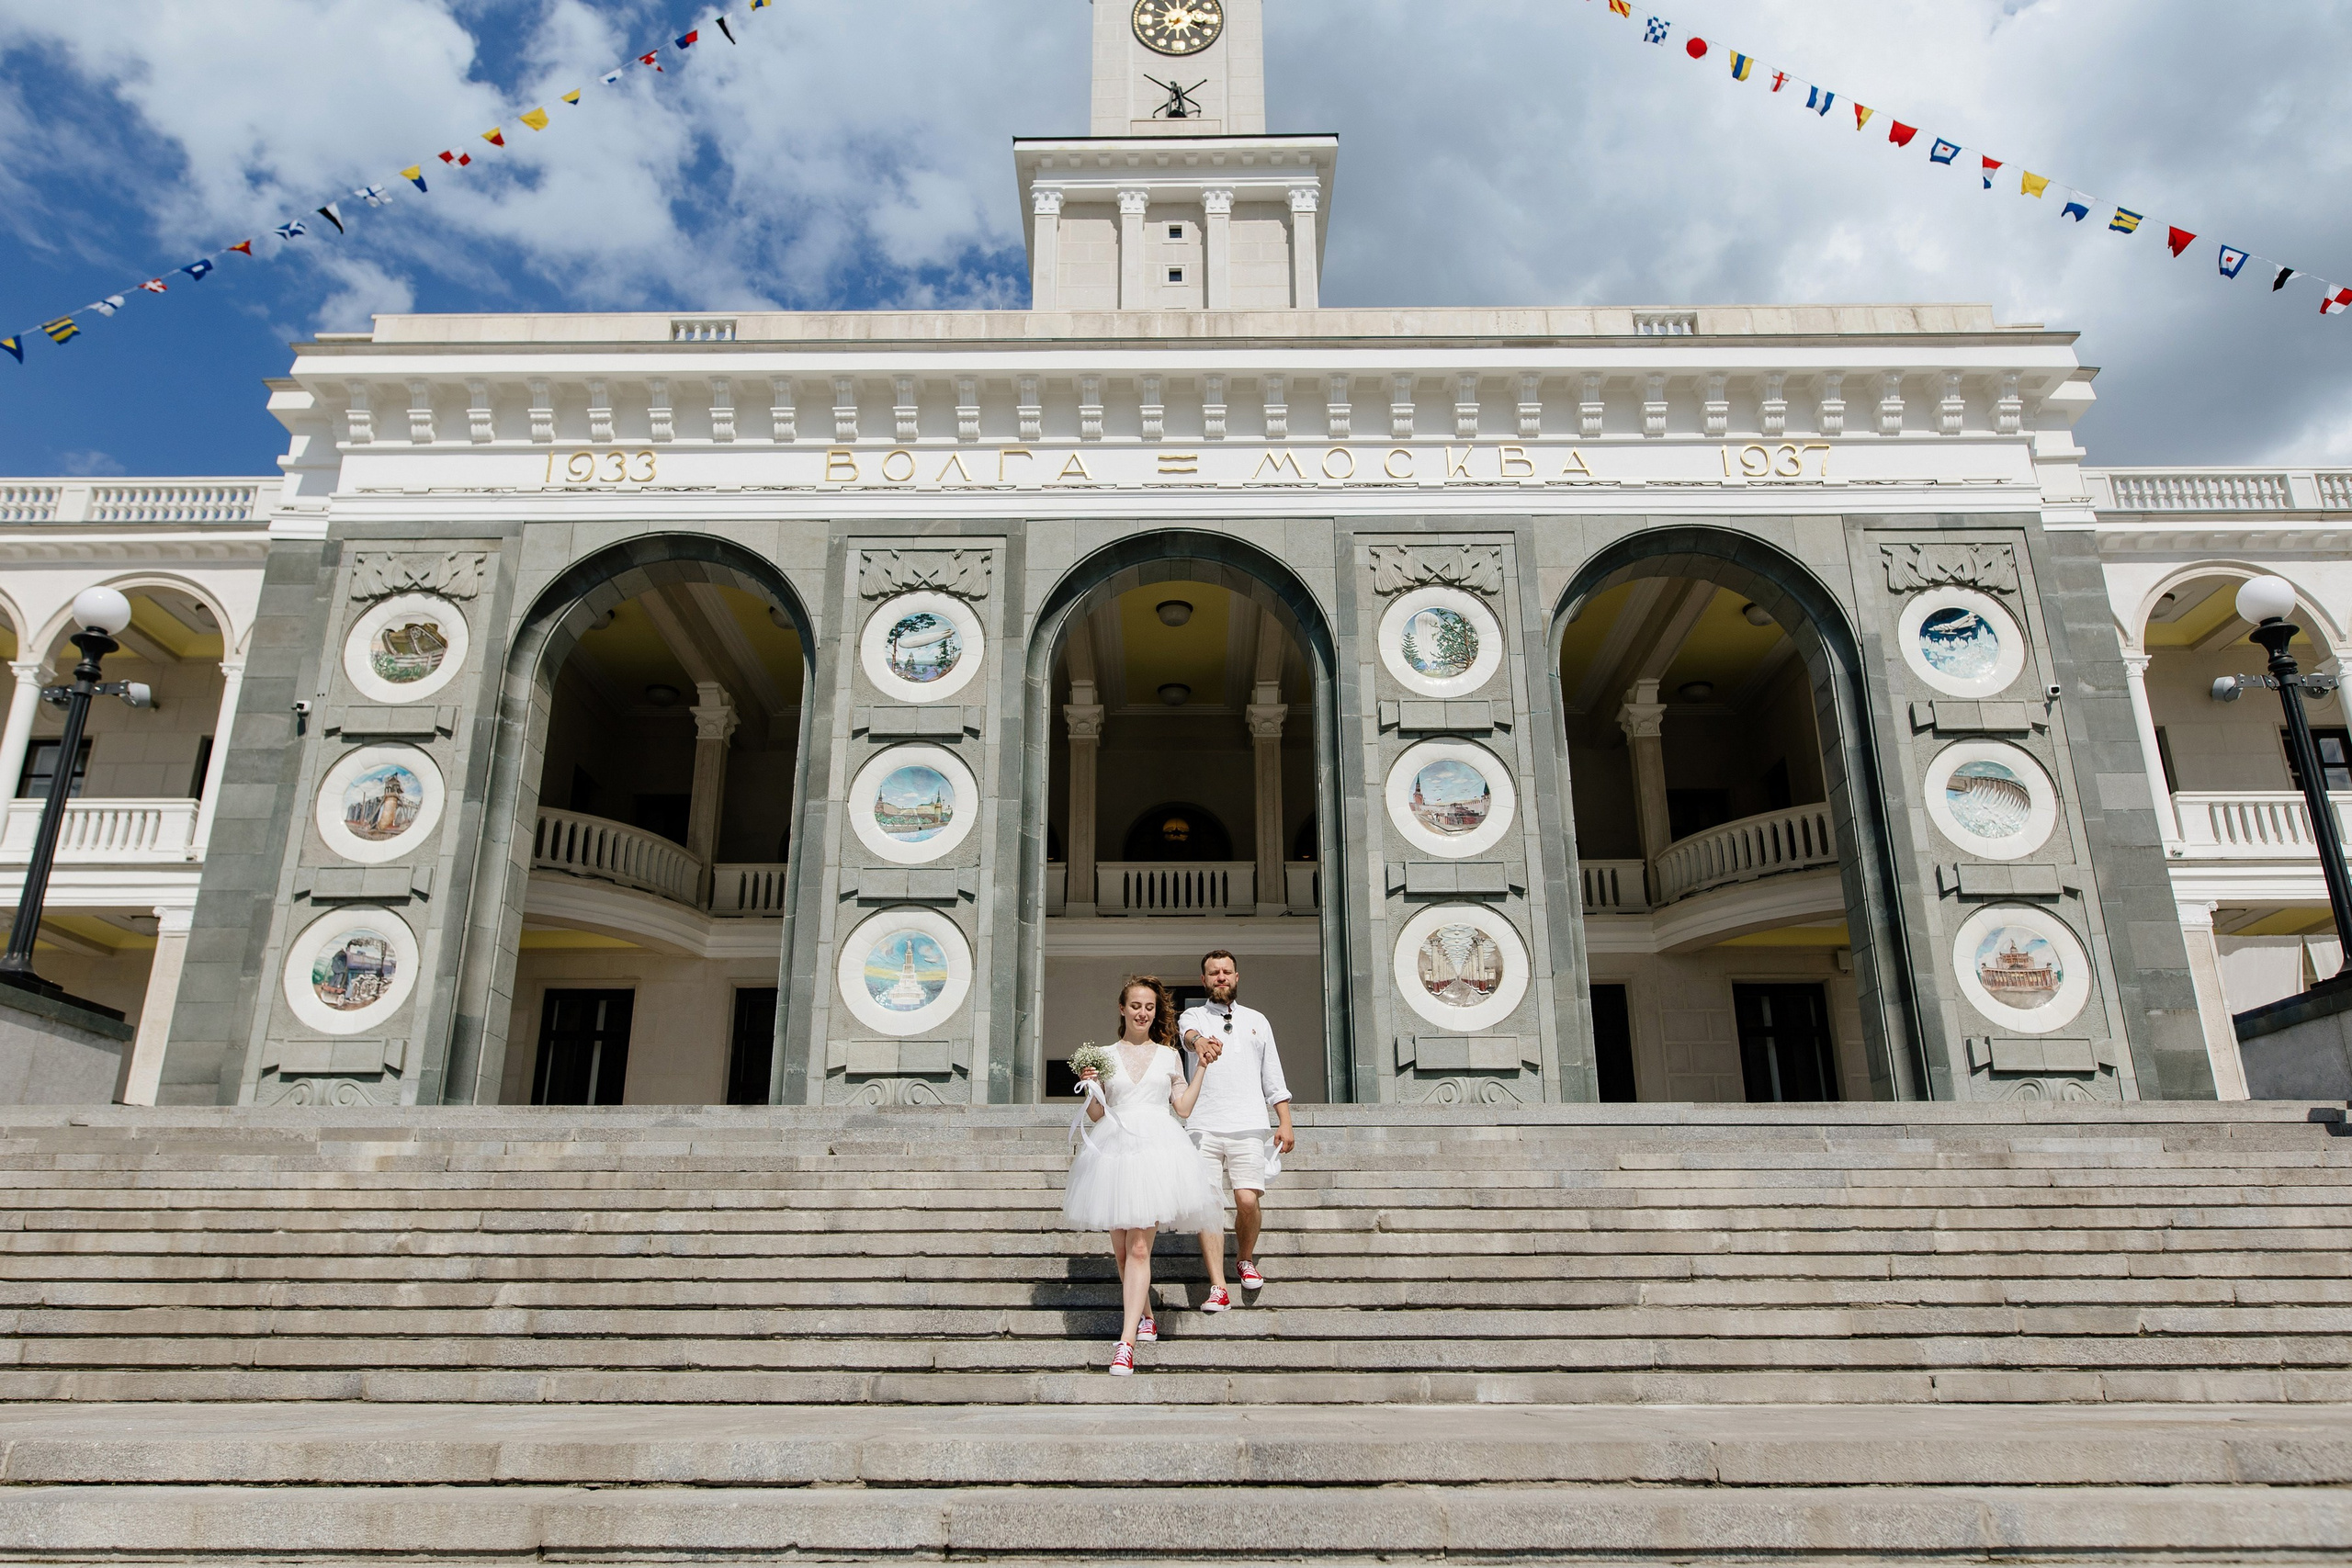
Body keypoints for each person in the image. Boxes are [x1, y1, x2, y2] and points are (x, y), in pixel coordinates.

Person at [1063, 975, 1222, 1375]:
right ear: (1122, 1008)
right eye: (1136, 1005)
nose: (1142, 1013)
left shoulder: (1169, 1055)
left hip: (1157, 1150)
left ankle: (1126, 1342)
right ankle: (1146, 1315)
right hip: (1114, 1152)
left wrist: (1201, 1068)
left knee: (1138, 1249)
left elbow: (1182, 1108)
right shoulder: (1100, 1054)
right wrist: (1090, 1086)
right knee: (1121, 1251)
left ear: (1156, 1012)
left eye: (1149, 1007)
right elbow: (1098, 1113)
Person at [1178, 949, 1295, 1309]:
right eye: (1213, 973)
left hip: (1249, 1124)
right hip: (1203, 1126)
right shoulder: (1193, 1015)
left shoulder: (1258, 1020)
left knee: (1247, 1199)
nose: (1221, 977)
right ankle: (1218, 1286)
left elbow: (1272, 1075)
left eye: (1226, 971)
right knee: (1211, 1206)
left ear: (1237, 976)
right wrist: (1198, 1042)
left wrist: (1285, 1120)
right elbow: (1188, 1034)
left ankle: (1244, 1258)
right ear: (1204, 980)